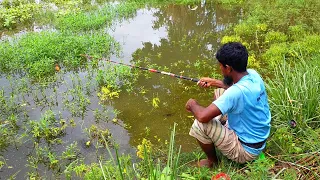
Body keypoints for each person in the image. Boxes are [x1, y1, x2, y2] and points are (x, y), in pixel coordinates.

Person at [185, 42, 271, 167]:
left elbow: (202, 116)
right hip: (259, 139)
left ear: (228, 68)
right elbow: (234, 87)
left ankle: (212, 162)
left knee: (199, 124)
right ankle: (222, 126)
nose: (220, 69)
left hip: (246, 151)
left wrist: (192, 104)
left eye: (221, 66)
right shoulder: (253, 74)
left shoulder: (235, 93)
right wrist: (214, 82)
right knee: (220, 91)